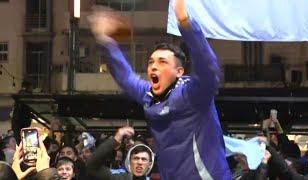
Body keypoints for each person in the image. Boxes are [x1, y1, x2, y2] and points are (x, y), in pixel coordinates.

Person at [88, 0, 231, 179]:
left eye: (162, 62)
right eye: (151, 62)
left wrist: (186, 24)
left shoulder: (194, 94)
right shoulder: (148, 95)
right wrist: (106, 40)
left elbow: (209, 68)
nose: (153, 67)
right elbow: (126, 77)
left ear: (179, 72)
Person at [87, 126, 154, 180]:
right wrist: (115, 140)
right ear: (130, 162)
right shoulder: (119, 177)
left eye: (144, 159)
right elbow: (92, 166)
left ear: (149, 165)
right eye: (136, 158)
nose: (139, 162)